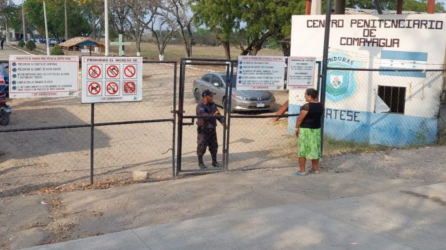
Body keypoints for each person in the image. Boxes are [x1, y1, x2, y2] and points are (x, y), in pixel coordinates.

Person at [295, 88, 324, 176]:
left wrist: (296, 128)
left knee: (302, 150)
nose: (304, 96)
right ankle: (315, 169)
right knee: (315, 149)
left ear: (310, 96)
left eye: (305, 94)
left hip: (306, 130)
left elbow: (300, 119)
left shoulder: (306, 106)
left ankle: (302, 171)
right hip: (316, 130)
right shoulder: (320, 105)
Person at [196, 89, 225, 169]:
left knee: (214, 146)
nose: (213, 97)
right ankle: (201, 162)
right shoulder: (200, 105)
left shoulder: (212, 104)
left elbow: (217, 113)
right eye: (211, 96)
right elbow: (203, 115)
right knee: (202, 146)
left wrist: (223, 122)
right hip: (203, 129)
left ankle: (214, 162)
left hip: (212, 128)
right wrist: (213, 114)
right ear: (206, 97)